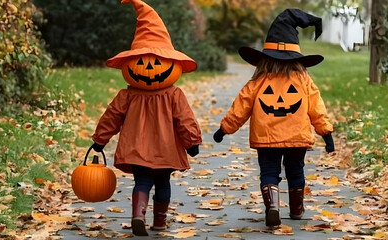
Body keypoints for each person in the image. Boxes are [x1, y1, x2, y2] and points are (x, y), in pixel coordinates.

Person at [213, 9, 335, 227]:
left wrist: (224, 129)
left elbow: (240, 107)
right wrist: (325, 133)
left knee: (269, 172)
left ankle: (273, 207)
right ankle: (297, 210)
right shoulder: (303, 80)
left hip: (266, 138)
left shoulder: (258, 81)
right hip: (296, 138)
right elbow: (317, 108)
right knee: (296, 170)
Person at [90, 0, 202, 236]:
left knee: (142, 183)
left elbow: (111, 117)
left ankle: (137, 215)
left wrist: (101, 139)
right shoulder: (174, 94)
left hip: (136, 149)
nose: (150, 68)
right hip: (166, 150)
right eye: (142, 62)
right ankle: (159, 222)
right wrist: (192, 142)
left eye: (156, 62)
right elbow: (185, 120)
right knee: (163, 183)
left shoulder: (128, 95)